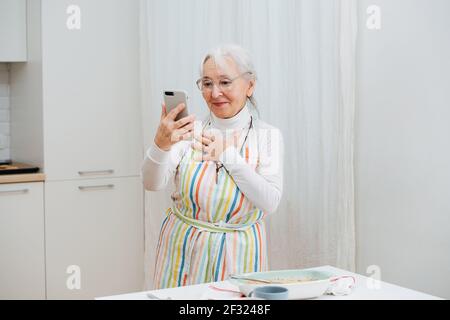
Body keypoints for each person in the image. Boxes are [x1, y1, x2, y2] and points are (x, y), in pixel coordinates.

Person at [141, 44, 284, 289]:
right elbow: (151, 183)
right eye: (207, 84)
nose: (215, 93)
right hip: (182, 252)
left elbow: (270, 201)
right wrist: (160, 145)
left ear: (250, 85)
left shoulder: (267, 136)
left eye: (225, 82)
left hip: (239, 257)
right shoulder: (189, 131)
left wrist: (227, 155)